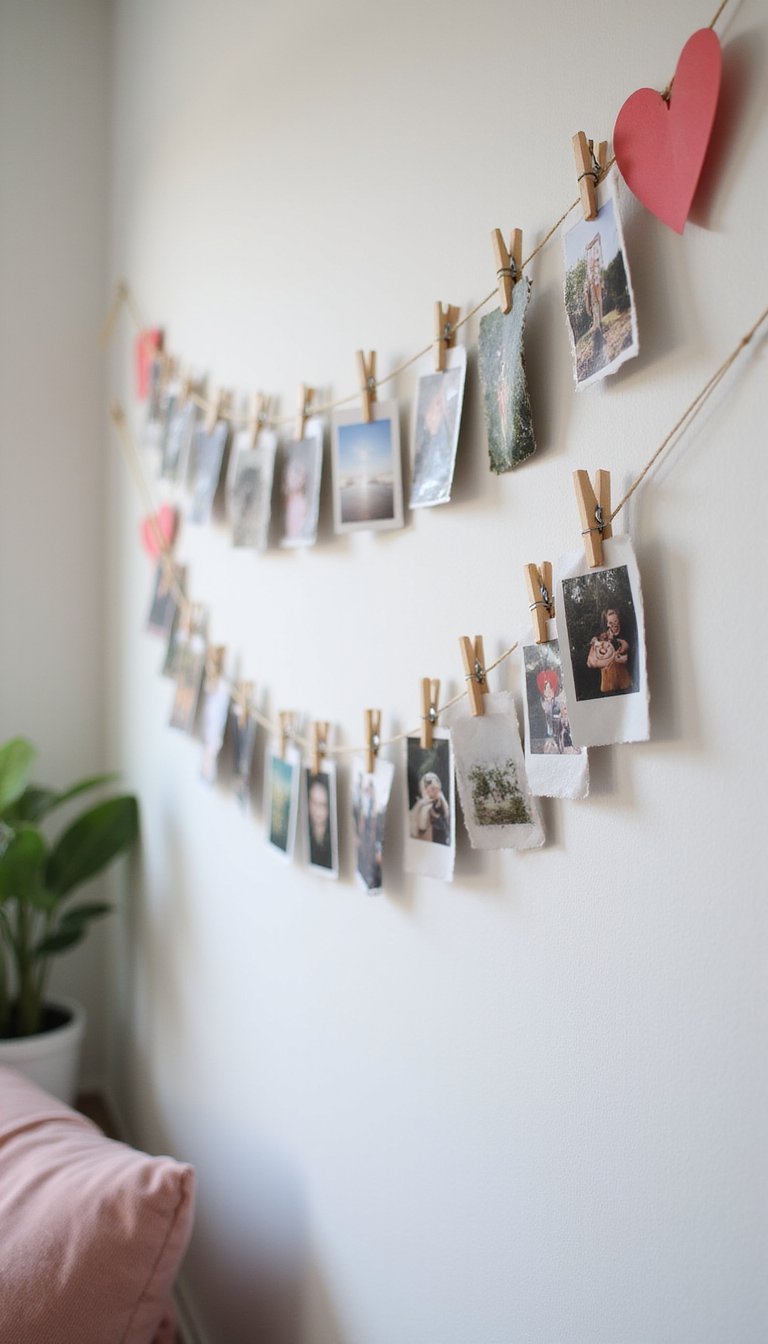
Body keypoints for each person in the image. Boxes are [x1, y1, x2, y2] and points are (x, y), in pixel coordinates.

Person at [587, 606, 633, 693]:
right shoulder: (602, 638)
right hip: (608, 686)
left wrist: (627, 657)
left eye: (616, 622)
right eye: (611, 623)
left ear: (619, 620)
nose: (614, 626)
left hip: (625, 684)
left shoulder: (627, 634)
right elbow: (590, 663)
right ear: (607, 624)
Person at [409, 771, 450, 845]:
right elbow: (422, 826)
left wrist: (442, 800)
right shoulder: (423, 806)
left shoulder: (441, 806)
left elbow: (447, 817)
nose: (434, 791)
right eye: (432, 788)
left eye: (437, 788)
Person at [306, 772, 334, 870]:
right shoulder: (305, 836)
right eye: (314, 803)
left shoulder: (332, 842)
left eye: (322, 805)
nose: (317, 810)